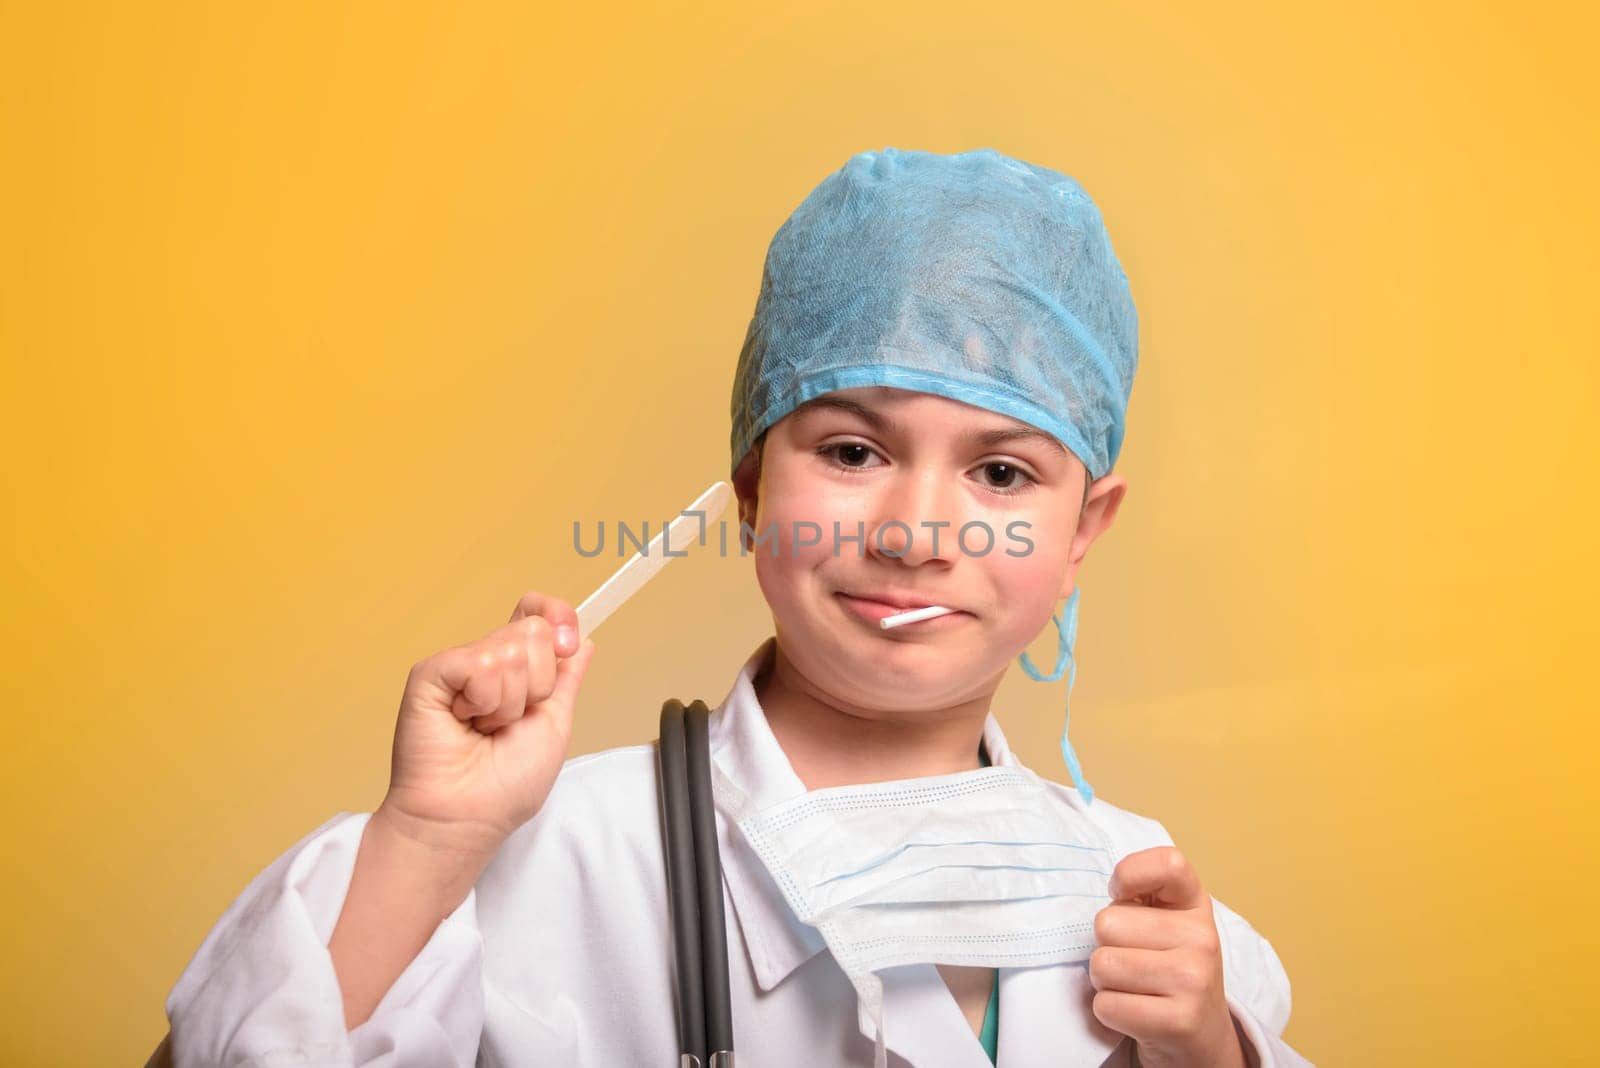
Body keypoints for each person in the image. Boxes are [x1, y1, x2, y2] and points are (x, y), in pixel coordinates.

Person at [155, 147, 1313, 1067]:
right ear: (752, 493)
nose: (913, 535)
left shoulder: (1151, 905)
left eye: (1002, 474)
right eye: (853, 449)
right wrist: (425, 843)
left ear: (1082, 535)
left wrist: (1207, 1053)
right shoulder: (526, 867)